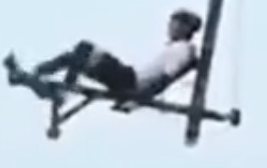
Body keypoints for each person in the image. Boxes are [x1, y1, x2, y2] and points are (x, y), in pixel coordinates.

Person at [17, 9, 203, 101]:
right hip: (128, 78)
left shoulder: (182, 49)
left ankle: (59, 88)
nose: (170, 28)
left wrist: (139, 96)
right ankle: (47, 79)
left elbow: (165, 78)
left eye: (175, 24)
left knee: (83, 49)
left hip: (130, 82)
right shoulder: (177, 48)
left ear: (185, 28)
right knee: (76, 55)